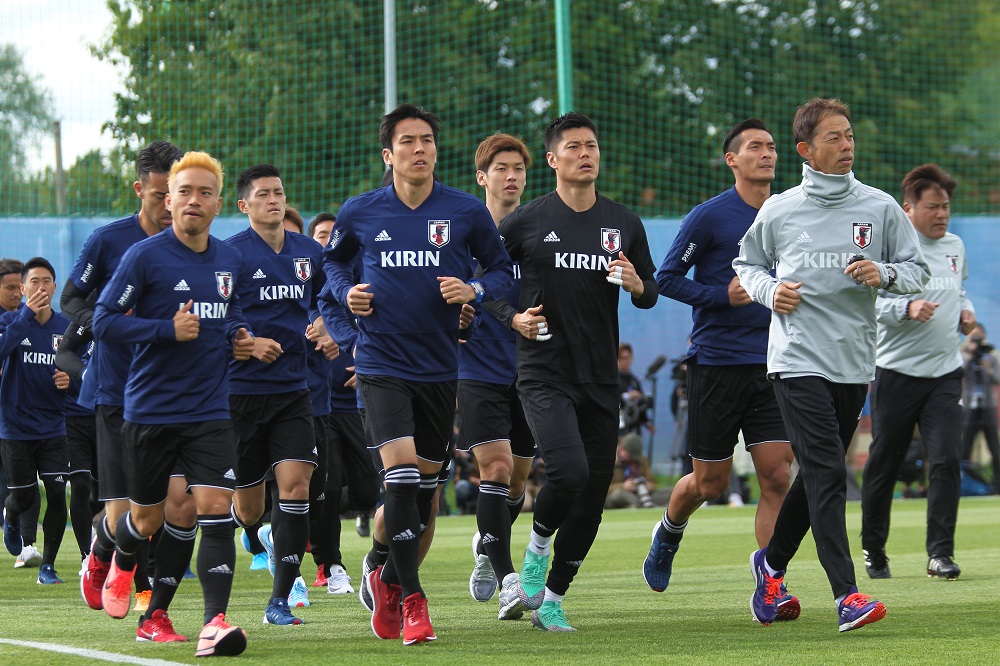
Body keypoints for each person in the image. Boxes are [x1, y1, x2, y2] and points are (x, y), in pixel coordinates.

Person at [733, 97, 930, 633]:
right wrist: (771, 290)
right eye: (834, 138)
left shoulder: (881, 207)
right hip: (795, 361)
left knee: (812, 480)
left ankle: (770, 569)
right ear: (805, 150)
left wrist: (884, 274)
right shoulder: (780, 209)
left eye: (849, 136)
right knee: (827, 472)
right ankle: (847, 595)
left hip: (852, 363)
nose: (846, 146)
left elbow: (918, 271)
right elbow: (746, 265)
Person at [322, 103, 513, 645]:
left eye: (427, 139)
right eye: (407, 141)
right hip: (381, 364)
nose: (419, 148)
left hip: (440, 368)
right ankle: (413, 599)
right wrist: (346, 296)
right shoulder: (361, 212)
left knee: (423, 491)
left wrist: (474, 290)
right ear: (389, 154)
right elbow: (331, 267)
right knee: (402, 477)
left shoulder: (464, 212)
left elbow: (500, 271)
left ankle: (381, 568)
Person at [494, 111, 658, 632]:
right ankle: (537, 552)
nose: (585, 154)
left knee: (591, 499)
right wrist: (512, 317)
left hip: (600, 376)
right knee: (570, 472)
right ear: (553, 159)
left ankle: (553, 599)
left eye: (591, 145)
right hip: (543, 370)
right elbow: (484, 279)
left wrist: (636, 283)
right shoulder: (527, 221)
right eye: (573, 147)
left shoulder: (624, 223)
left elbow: (651, 291)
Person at [93, 151, 252, 657]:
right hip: (150, 412)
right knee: (147, 519)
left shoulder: (231, 260)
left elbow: (231, 316)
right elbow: (103, 323)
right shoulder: (144, 257)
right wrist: (166, 329)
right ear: (168, 199)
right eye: (184, 191)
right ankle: (119, 552)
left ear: (218, 203)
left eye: (205, 192)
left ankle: (213, 622)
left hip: (210, 411)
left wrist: (242, 336)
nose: (193, 200)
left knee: (213, 509)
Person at [643, 119, 797, 619]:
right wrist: (720, 296)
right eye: (755, 147)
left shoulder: (792, 213)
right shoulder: (710, 217)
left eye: (772, 146)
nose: (767, 153)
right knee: (709, 484)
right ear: (732, 159)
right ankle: (668, 531)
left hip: (774, 363)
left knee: (777, 475)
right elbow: (664, 278)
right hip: (716, 363)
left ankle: (771, 584)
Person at [69, 140, 187, 617]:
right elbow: (73, 300)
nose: (167, 205)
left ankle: (157, 605)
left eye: (174, 194)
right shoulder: (108, 240)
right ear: (140, 189)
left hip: (176, 393)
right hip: (116, 389)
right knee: (123, 516)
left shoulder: (197, 247)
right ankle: (103, 551)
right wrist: (101, 323)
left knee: (178, 505)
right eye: (158, 195)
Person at [225, 164, 330, 626]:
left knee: (296, 489)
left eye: (280, 193)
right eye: (264, 194)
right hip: (241, 394)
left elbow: (331, 298)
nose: (274, 199)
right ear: (244, 205)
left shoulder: (310, 253)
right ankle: (255, 533)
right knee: (248, 507)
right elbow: (215, 314)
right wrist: (243, 341)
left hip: (293, 391)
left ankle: (279, 601)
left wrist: (330, 326)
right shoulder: (227, 255)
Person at [861, 163, 976, 581]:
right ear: (908, 208)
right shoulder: (891, 251)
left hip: (945, 374)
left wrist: (967, 311)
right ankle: (874, 550)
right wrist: (905, 308)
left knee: (946, 460)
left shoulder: (956, 246)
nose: (942, 213)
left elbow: (958, 289)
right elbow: (867, 305)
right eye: (933, 206)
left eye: (946, 206)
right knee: (885, 463)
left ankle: (940, 554)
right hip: (896, 373)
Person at [457, 132, 538, 619]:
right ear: (483, 177)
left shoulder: (539, 230)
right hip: (477, 368)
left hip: (531, 370)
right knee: (497, 469)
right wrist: (458, 316)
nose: (512, 177)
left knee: (517, 482)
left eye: (519, 169)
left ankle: (487, 546)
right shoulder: (462, 231)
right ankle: (509, 577)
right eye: (502, 169)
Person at [0, 257, 71, 585]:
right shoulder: (11, 321)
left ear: (54, 287)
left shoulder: (66, 328)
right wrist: (26, 315)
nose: (40, 287)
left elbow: (83, 369)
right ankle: (10, 515)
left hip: (54, 427)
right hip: (15, 428)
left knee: (57, 494)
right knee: (24, 497)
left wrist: (71, 380)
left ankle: (49, 566)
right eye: (34, 282)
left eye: (46, 281)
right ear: (24, 288)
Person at [0, 257, 44, 569]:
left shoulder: (37, 319)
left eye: (20, 286)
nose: (18, 293)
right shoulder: (18, 319)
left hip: (24, 414)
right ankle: (11, 517)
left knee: (32, 479)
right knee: (13, 484)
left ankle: (28, 545)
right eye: (10, 287)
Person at [960, 324, 1000, 494]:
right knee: (964, 450)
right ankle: (964, 485)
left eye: (979, 337)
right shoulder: (962, 355)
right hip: (969, 407)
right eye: (973, 337)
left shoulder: (990, 356)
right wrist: (969, 356)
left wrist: (987, 366)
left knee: (995, 449)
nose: (976, 341)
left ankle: (996, 486)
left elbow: (997, 379)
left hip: (987, 406)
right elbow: (956, 374)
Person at [617, 343, 653, 436]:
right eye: (622, 358)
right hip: (617, 427)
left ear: (632, 358)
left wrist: (647, 422)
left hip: (633, 428)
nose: (625, 361)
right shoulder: (613, 380)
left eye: (627, 357)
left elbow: (641, 407)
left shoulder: (634, 381)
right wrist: (626, 396)